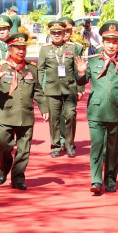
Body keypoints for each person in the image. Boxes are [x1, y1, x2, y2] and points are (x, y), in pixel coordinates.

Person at [75, 20, 118, 194]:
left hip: (117, 111)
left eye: (115, 42)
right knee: (96, 147)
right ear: (102, 43)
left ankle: (110, 180)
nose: (111, 45)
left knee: (113, 149)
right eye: (108, 41)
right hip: (96, 111)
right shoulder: (93, 61)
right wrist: (81, 72)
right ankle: (96, 181)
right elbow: (80, 81)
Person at [0, 32, 47, 190]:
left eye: (24, 48)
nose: (21, 51)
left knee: (24, 150)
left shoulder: (31, 68)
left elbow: (38, 90)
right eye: (18, 48)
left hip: (25, 114)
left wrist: (44, 108)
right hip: (5, 114)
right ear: (9, 49)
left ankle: (18, 177)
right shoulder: (0, 66)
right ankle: (4, 167)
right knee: (3, 145)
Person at [37, 20, 83, 158]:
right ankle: (56, 146)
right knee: (54, 119)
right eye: (53, 32)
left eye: (59, 32)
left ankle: (70, 145)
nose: (56, 35)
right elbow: (40, 70)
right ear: (50, 34)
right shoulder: (45, 49)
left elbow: (77, 68)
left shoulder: (72, 48)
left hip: (69, 88)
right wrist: (40, 89)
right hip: (52, 89)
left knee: (70, 115)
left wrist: (80, 87)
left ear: (64, 33)